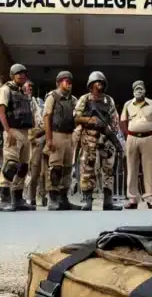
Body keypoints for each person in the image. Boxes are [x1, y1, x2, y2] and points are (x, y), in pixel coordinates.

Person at [74, 71, 122, 211]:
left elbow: (114, 119)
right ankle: (88, 200)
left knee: (108, 170)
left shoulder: (109, 100)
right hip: (89, 137)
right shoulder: (85, 99)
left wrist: (114, 135)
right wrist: (90, 120)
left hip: (106, 138)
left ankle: (108, 201)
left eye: (102, 82)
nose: (100, 84)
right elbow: (76, 117)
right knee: (88, 168)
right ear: (91, 85)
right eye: (97, 82)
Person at [0, 63, 35, 211]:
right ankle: (3, 197)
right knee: (10, 165)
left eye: (24, 73)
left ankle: (18, 198)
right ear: (12, 75)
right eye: (18, 73)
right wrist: (8, 130)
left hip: (25, 132)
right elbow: (1, 110)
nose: (22, 76)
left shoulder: (23, 92)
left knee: (24, 166)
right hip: (13, 130)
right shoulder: (6, 90)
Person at [120, 80, 152, 209]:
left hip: (148, 138)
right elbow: (123, 121)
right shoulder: (128, 104)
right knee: (131, 168)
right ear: (133, 91)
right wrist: (129, 135)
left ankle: (150, 198)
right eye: (136, 89)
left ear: (145, 90)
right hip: (132, 138)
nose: (139, 90)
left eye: (141, 88)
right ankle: (132, 198)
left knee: (149, 168)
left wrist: (147, 131)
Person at [43, 70, 79, 211]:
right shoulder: (52, 97)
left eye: (70, 81)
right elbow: (47, 117)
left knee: (67, 169)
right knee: (55, 168)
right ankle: (52, 198)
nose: (68, 83)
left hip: (69, 136)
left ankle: (64, 199)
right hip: (56, 134)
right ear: (59, 82)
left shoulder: (73, 100)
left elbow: (77, 116)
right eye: (65, 80)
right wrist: (49, 139)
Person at [24, 80, 47, 208]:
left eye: (31, 87)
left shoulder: (36, 102)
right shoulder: (21, 101)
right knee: (31, 171)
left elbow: (41, 121)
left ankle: (42, 196)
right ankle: (29, 197)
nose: (30, 89)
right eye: (28, 87)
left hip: (40, 139)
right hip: (26, 139)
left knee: (42, 171)